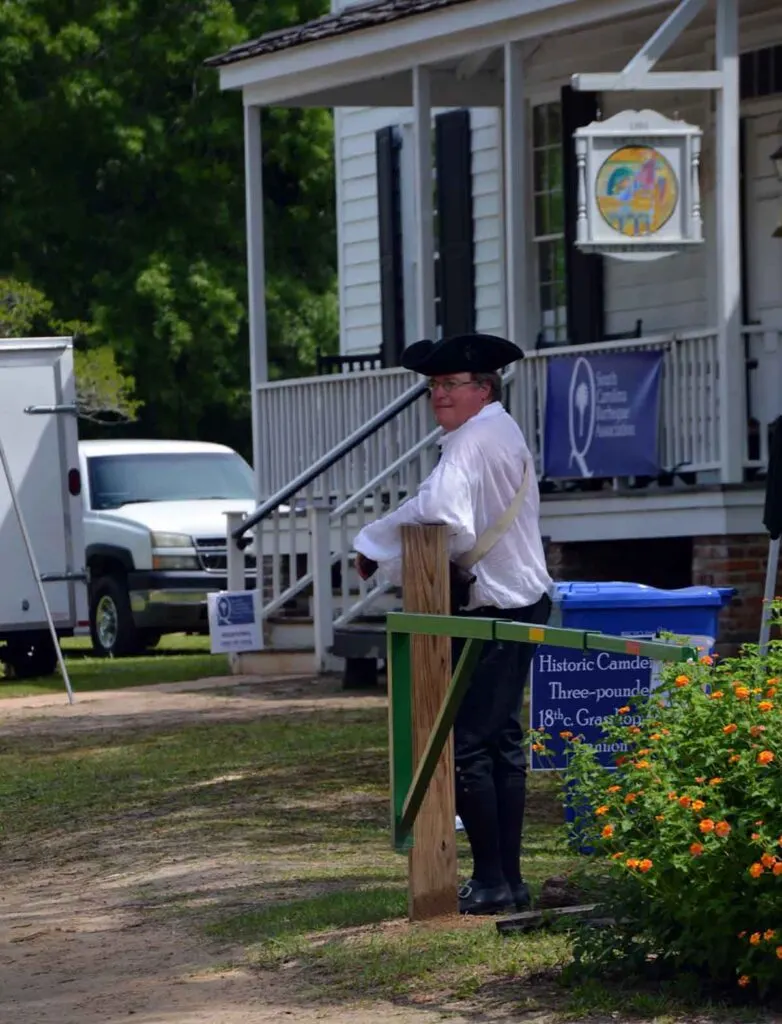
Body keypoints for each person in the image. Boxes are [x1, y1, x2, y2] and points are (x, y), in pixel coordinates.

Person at [352, 332, 553, 916]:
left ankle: (493, 882)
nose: (439, 395)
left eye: (451, 385)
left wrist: (371, 543)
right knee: (501, 743)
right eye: (433, 386)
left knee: (468, 746)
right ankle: (507, 881)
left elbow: (441, 515)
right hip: (521, 598)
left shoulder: (471, 440)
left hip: (496, 605)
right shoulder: (499, 429)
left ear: (482, 388)